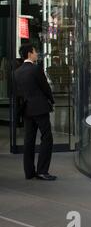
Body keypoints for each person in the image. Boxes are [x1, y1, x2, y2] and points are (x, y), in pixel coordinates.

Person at [14, 43, 57, 181]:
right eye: (35, 51)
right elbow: (45, 87)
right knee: (47, 137)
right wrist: (51, 100)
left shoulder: (17, 72)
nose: (37, 54)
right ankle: (42, 171)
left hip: (26, 109)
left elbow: (17, 93)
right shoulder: (36, 69)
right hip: (39, 108)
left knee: (29, 140)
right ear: (29, 54)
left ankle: (29, 172)